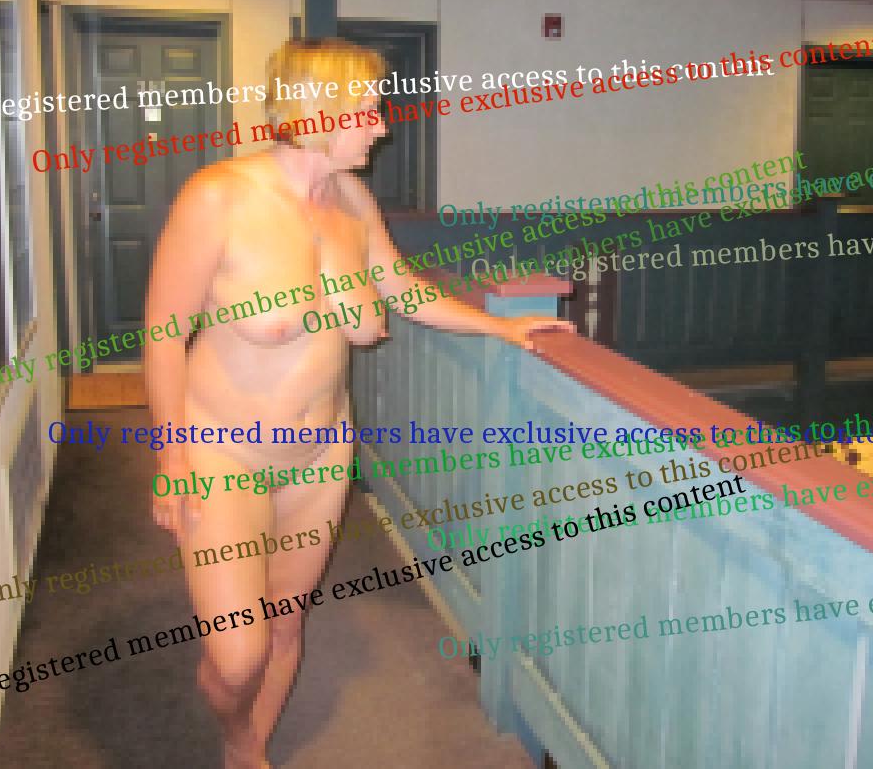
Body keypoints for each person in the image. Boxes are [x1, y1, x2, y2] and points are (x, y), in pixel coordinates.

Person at [143, 38, 572, 768]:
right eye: (368, 111)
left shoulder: (351, 201)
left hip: (322, 454)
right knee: (238, 654)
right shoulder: (220, 196)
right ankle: (237, 734)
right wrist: (172, 459)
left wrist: (499, 326)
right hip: (224, 452)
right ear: (318, 111)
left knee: (285, 622)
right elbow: (162, 334)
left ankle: (247, 757)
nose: (381, 125)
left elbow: (403, 289)